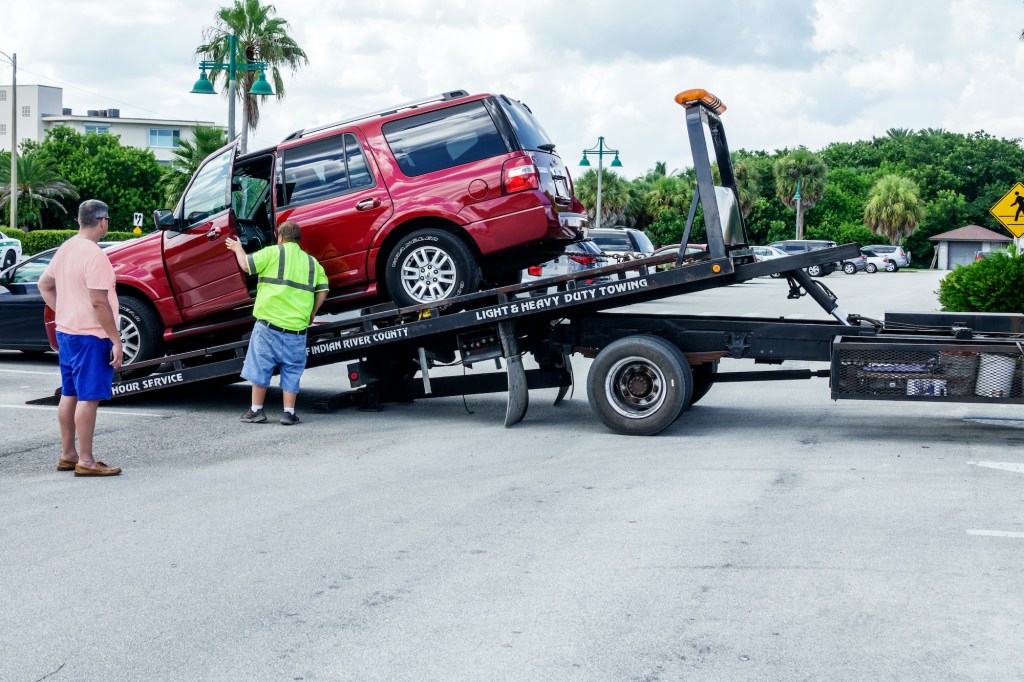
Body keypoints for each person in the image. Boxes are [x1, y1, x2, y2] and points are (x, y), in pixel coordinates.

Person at [37, 199, 123, 477]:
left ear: (78, 221)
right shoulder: (94, 254)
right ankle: (86, 461)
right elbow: (99, 302)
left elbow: (44, 285)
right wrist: (116, 340)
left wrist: (64, 309)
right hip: (91, 336)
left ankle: (68, 454)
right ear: (103, 222)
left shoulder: (66, 248)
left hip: (67, 333)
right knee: (88, 397)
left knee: (70, 393)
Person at [226, 221, 328, 425]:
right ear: (298, 240)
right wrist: (313, 312)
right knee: (292, 369)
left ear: (280, 237)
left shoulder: (272, 252)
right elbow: (323, 289)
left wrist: (238, 248)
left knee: (260, 367)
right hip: (297, 329)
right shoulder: (312, 263)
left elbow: (246, 265)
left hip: (268, 327)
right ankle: (289, 413)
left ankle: (256, 411)